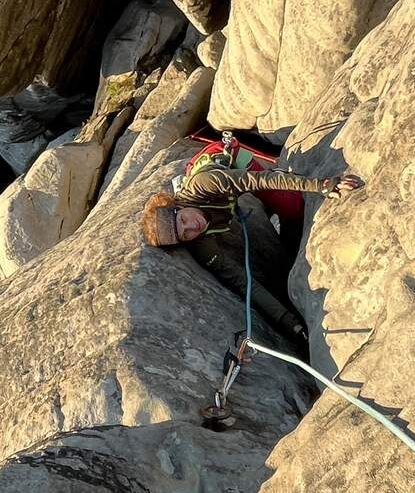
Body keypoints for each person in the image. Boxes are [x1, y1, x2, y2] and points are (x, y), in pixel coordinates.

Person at [140, 133, 363, 343]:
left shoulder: (205, 184)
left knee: (292, 207)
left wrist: (321, 185)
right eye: (185, 234)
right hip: (223, 187)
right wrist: (289, 322)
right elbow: (242, 281)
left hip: (229, 161)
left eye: (183, 221)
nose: (192, 227)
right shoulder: (200, 244)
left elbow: (259, 181)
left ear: (177, 206)